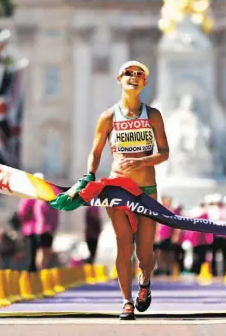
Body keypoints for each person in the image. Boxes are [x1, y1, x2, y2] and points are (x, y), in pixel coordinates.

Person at [85, 60, 169, 320]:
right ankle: (126, 301)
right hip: (117, 187)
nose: (133, 77)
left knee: (144, 253)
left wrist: (142, 161)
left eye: (139, 74)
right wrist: (89, 177)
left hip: (145, 188)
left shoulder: (152, 114)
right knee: (123, 245)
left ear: (144, 83)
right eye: (128, 73)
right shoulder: (109, 116)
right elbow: (96, 151)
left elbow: (164, 153)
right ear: (119, 79)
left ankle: (145, 281)